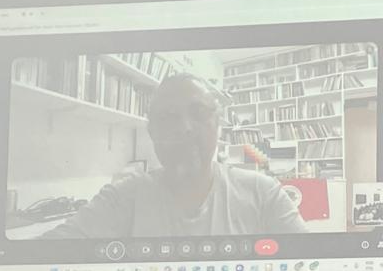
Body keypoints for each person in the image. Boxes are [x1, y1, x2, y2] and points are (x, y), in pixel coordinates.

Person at [46, 73, 307, 238]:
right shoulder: (121, 198)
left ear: (218, 125)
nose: (185, 127)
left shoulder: (264, 194)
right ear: (152, 131)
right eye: (168, 117)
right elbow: (45, 253)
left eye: (199, 113)